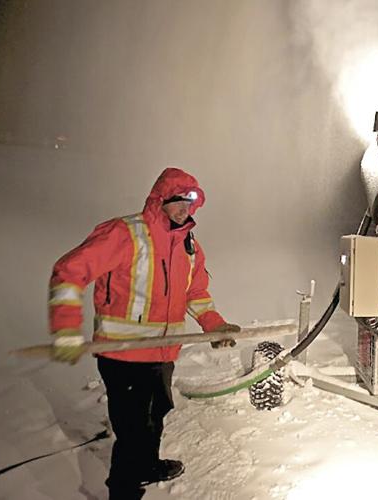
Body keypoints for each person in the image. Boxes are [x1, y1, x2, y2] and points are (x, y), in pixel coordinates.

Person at [48, 167, 239, 499]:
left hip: (163, 353)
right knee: (133, 430)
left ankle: (148, 465)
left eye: (189, 204)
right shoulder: (125, 234)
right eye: (178, 201)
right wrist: (65, 329)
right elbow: (69, 272)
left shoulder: (188, 244)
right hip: (122, 354)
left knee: (156, 414)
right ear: (160, 200)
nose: (184, 210)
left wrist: (215, 325)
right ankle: (125, 490)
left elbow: (195, 293)